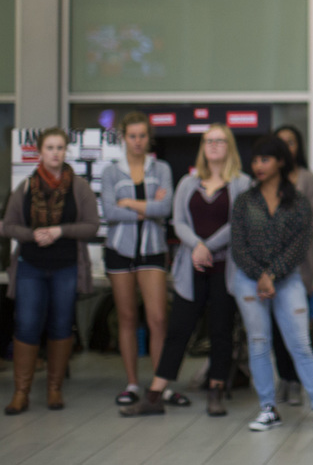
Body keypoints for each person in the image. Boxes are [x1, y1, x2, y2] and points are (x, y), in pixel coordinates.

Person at [120, 124, 250, 417]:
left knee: (221, 332)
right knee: (178, 330)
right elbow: (177, 222)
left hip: (225, 270)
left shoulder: (242, 184)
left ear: (229, 146)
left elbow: (238, 224)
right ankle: (154, 395)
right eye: (208, 141)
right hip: (190, 269)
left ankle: (216, 391)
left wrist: (208, 246)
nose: (214, 145)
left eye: (220, 141)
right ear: (203, 147)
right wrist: (197, 246)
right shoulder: (188, 183)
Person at [231, 134, 313, 434]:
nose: (258, 165)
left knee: (300, 344)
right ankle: (268, 408)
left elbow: (300, 244)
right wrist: (260, 275)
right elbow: (238, 245)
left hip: (287, 279)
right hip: (249, 280)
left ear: (281, 162)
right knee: (259, 343)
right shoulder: (245, 200)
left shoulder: (297, 201)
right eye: (255, 160)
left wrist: (273, 274)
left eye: (265, 159)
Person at [2, 128, 100, 414]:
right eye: (50, 148)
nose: (55, 153)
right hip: (30, 265)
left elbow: (92, 225)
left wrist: (59, 231)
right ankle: (21, 392)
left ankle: (55, 389)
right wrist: (35, 235)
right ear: (40, 152)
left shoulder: (78, 187)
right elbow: (8, 226)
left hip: (66, 266)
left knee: (60, 324)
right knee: (27, 325)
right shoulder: (25, 186)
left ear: (66, 151)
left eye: (60, 148)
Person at [100, 112, 176, 406]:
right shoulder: (111, 172)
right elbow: (110, 212)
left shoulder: (162, 168)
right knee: (127, 318)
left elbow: (165, 208)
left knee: (157, 318)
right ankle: (132, 383)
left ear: (149, 137)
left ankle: (160, 383)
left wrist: (129, 202)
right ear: (123, 138)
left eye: (143, 135)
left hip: (153, 248)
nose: (137, 141)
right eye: (132, 136)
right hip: (120, 250)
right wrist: (146, 207)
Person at [270, 124, 313, 407]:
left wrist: (286, 234)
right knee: (276, 324)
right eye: (279, 143)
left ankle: (300, 379)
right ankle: (285, 378)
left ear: (298, 146)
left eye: (290, 142)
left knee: (298, 325)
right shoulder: (269, 179)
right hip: (271, 264)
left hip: (300, 262)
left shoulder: (309, 179)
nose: (285, 147)